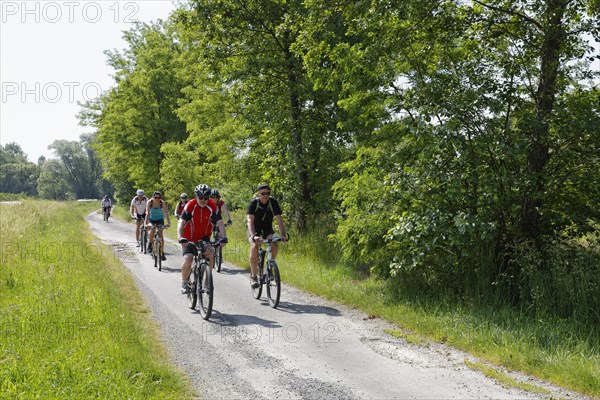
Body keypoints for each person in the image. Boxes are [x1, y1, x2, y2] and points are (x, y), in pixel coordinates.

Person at [178, 184, 227, 294]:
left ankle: (207, 282)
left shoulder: (212, 206)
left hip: (204, 237)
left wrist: (224, 237)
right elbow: (181, 222)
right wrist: (180, 237)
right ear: (196, 196)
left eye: (206, 198)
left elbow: (219, 222)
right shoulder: (191, 205)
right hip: (188, 237)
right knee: (189, 258)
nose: (203, 200)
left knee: (210, 253)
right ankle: (184, 282)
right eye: (201, 197)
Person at [246, 183, 287, 288]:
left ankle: (270, 268)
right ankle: (254, 277)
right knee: (254, 246)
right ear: (259, 194)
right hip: (254, 229)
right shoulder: (254, 203)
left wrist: (283, 235)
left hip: (267, 229)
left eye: (267, 193)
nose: (265, 196)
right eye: (263, 193)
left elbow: (279, 220)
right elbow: (250, 221)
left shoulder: (273, 202)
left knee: (274, 243)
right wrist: (253, 236)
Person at [144, 191, 171, 260]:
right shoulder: (149, 202)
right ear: (153, 197)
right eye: (156, 197)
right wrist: (145, 223)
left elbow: (165, 213)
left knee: (160, 234)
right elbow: (147, 213)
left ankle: (162, 252)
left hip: (160, 219)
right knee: (152, 229)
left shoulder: (162, 203)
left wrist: (168, 223)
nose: (157, 199)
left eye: (159, 197)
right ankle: (150, 244)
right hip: (151, 219)